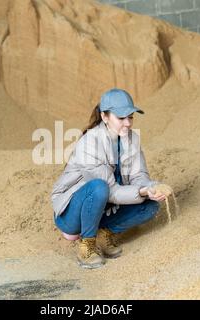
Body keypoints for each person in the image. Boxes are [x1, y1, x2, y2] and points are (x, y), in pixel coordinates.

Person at [51, 88, 167, 269]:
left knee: (150, 205)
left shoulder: (132, 139)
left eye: (130, 117)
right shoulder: (89, 143)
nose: (128, 123)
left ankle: (105, 233)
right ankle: (87, 244)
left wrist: (150, 188)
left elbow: (139, 175)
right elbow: (110, 191)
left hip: (105, 206)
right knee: (99, 187)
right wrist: (141, 191)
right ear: (105, 117)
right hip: (71, 212)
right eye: (121, 118)